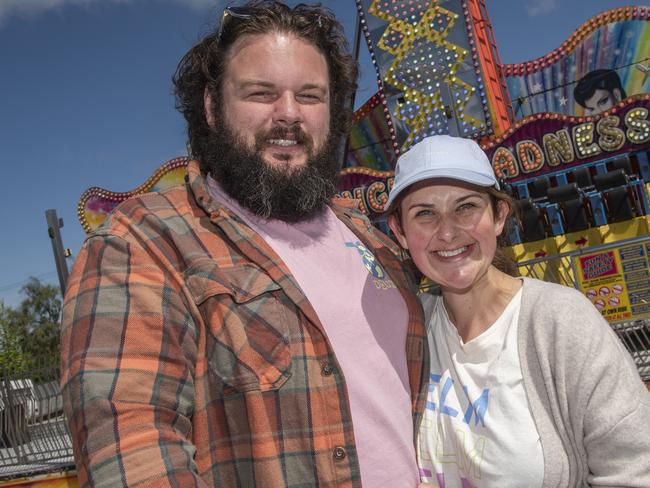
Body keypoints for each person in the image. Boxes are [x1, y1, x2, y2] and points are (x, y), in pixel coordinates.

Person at [60, 2, 429, 487]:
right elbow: (130, 445)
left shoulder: (370, 236)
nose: (289, 114)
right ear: (213, 106)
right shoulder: (145, 241)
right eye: (261, 93)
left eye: (311, 95)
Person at [385, 135, 650, 487]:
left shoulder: (561, 320)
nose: (447, 232)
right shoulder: (406, 334)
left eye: (465, 207)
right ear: (400, 232)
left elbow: (634, 468)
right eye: (425, 214)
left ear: (498, 216)